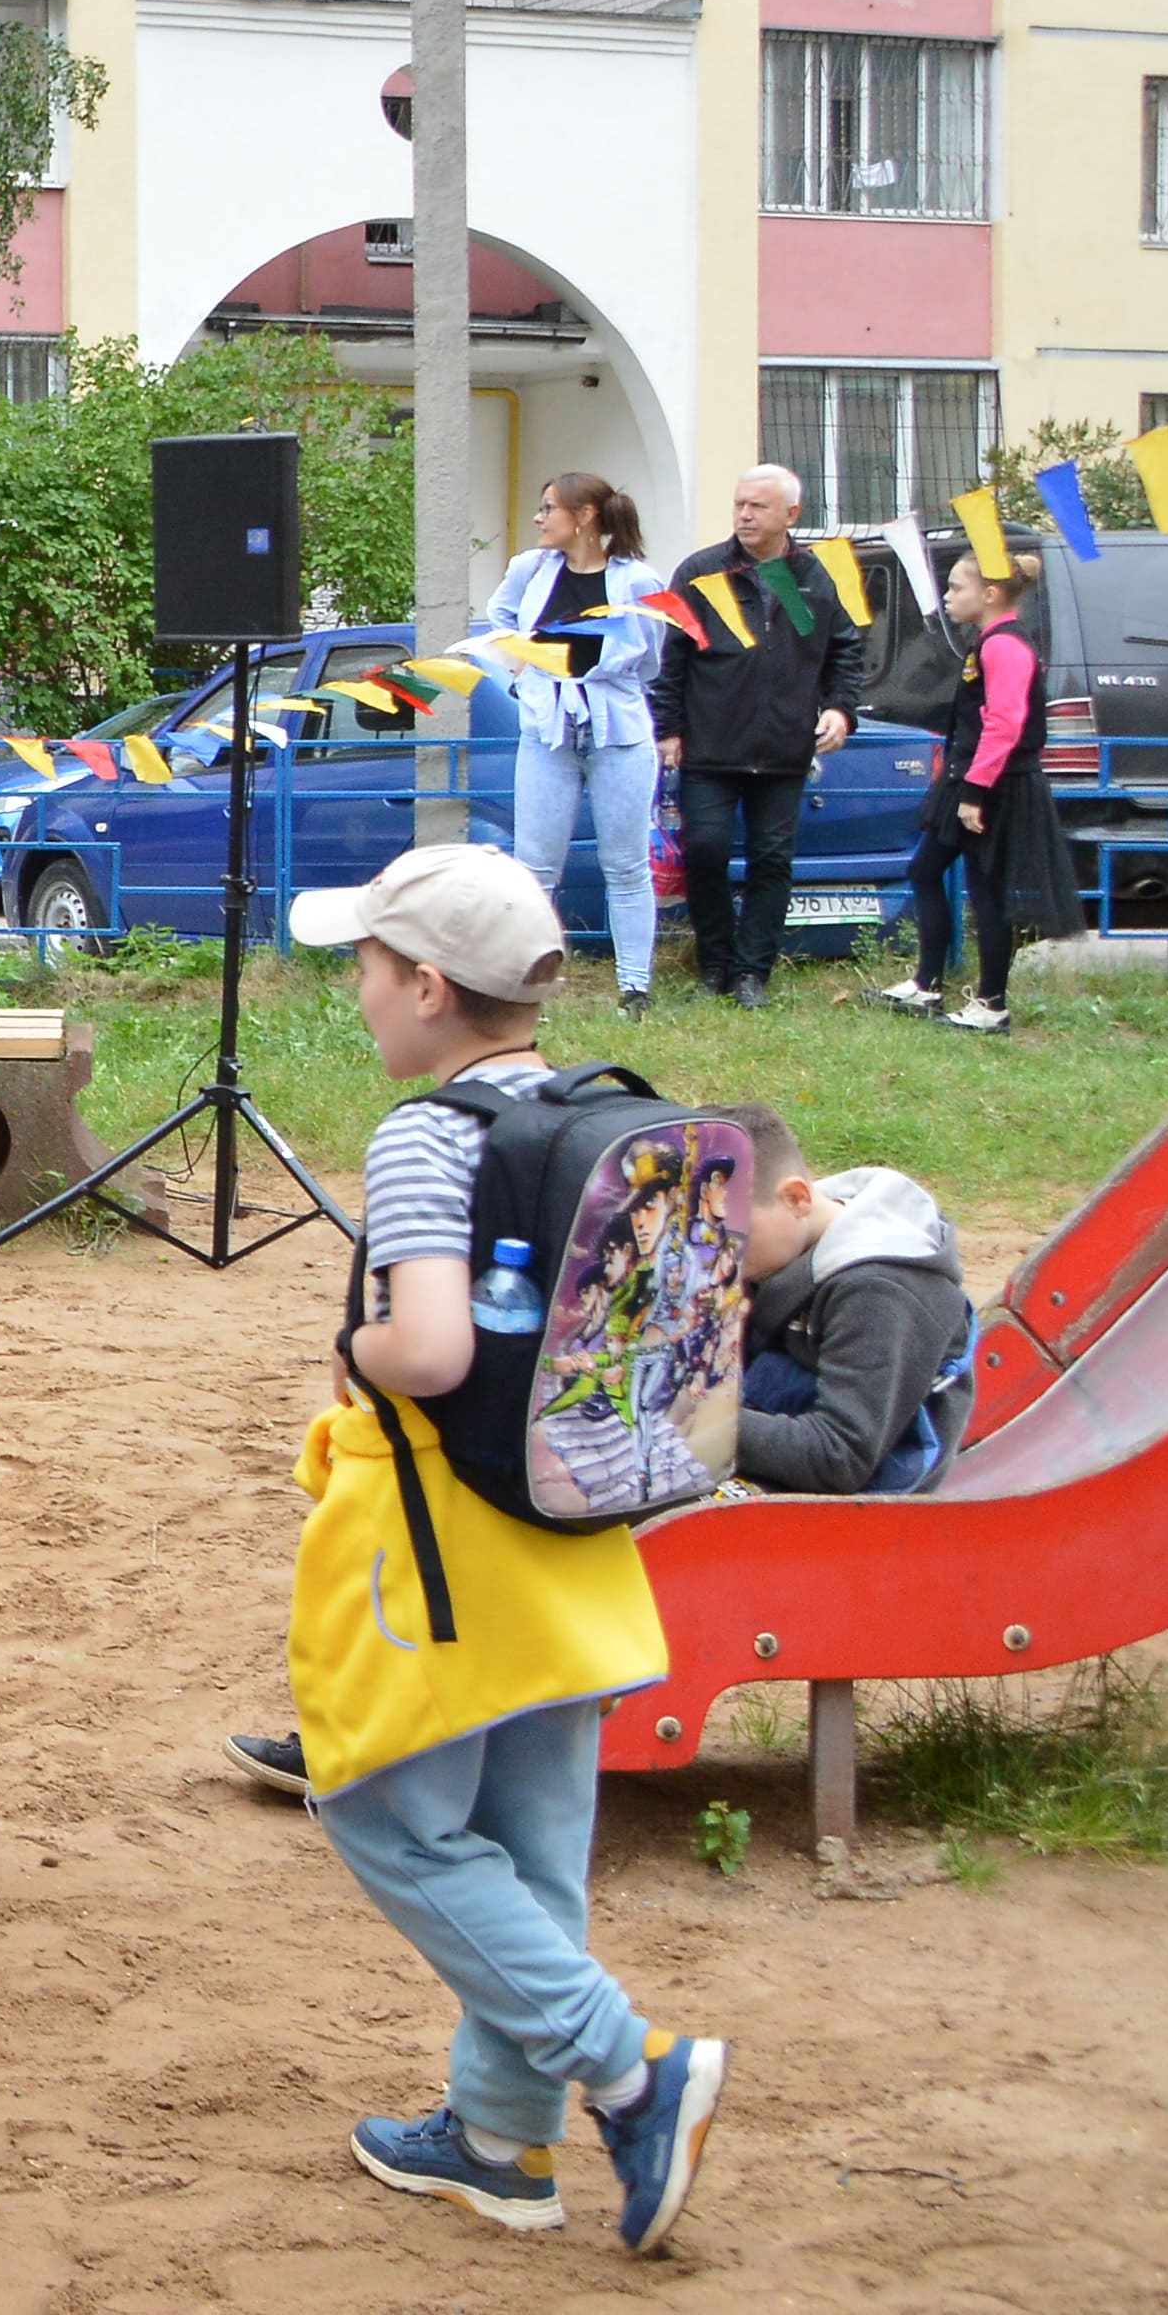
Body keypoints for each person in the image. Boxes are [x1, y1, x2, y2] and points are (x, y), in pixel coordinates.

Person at [270, 843, 726, 2256]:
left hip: (446, 1554)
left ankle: (631, 2071)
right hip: (585, 1547)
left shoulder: (427, 1137)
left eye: (362, 967)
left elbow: (429, 1348)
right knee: (535, 1849)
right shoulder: (613, 1120)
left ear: (423, 985)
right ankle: (497, 2140)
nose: (354, 990)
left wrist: (350, 1343)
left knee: (382, 1812)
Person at [650, 466, 864, 1008]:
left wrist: (840, 709)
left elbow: (841, 650)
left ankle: (753, 974)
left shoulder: (807, 577)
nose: (744, 515)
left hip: (782, 749)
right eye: (740, 504)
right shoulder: (703, 573)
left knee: (772, 861)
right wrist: (668, 728)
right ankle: (715, 966)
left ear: (791, 515)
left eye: (758, 507)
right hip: (710, 746)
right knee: (706, 851)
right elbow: (672, 657)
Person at [473, 473, 673, 1018]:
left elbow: (651, 656)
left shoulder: (637, 580)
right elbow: (502, 619)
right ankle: (528, 978)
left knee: (626, 863)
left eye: (548, 509)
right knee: (535, 866)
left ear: (584, 516)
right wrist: (530, 667)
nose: (538, 519)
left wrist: (606, 679)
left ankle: (634, 987)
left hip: (619, 731)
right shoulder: (530, 568)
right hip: (546, 728)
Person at [722, 1103, 974, 1495]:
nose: (717, 1253)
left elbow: (840, 1457)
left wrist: (697, 1425)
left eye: (734, 1232)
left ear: (797, 1198)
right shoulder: (777, 1243)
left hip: (869, 1489)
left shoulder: (880, 1292)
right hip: (783, 1420)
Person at [876, 549, 1065, 1037]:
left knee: (988, 893)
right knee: (924, 869)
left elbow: (1004, 724)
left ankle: (992, 1003)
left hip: (994, 784)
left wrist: (975, 792)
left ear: (990, 594)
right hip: (967, 775)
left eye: (956, 587)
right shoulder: (986, 642)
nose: (947, 596)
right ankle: (927, 983)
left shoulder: (1004, 645)